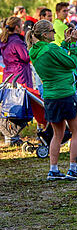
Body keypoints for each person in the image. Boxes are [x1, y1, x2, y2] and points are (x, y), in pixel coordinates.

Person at [26, 20, 77, 180]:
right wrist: (73, 45)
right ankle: (73, 168)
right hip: (65, 93)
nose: (54, 33)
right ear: (45, 35)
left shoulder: (35, 51)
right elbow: (71, 63)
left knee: (57, 135)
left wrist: (65, 43)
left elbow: (57, 56)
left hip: (51, 97)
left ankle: (53, 169)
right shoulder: (50, 48)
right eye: (52, 30)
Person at [0, 17, 32, 146]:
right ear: (17, 27)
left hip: (9, 74)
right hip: (20, 75)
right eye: (21, 25)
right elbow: (25, 57)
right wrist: (31, 48)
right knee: (21, 107)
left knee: (9, 107)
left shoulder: (4, 40)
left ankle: (10, 137)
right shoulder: (16, 42)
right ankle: (12, 135)